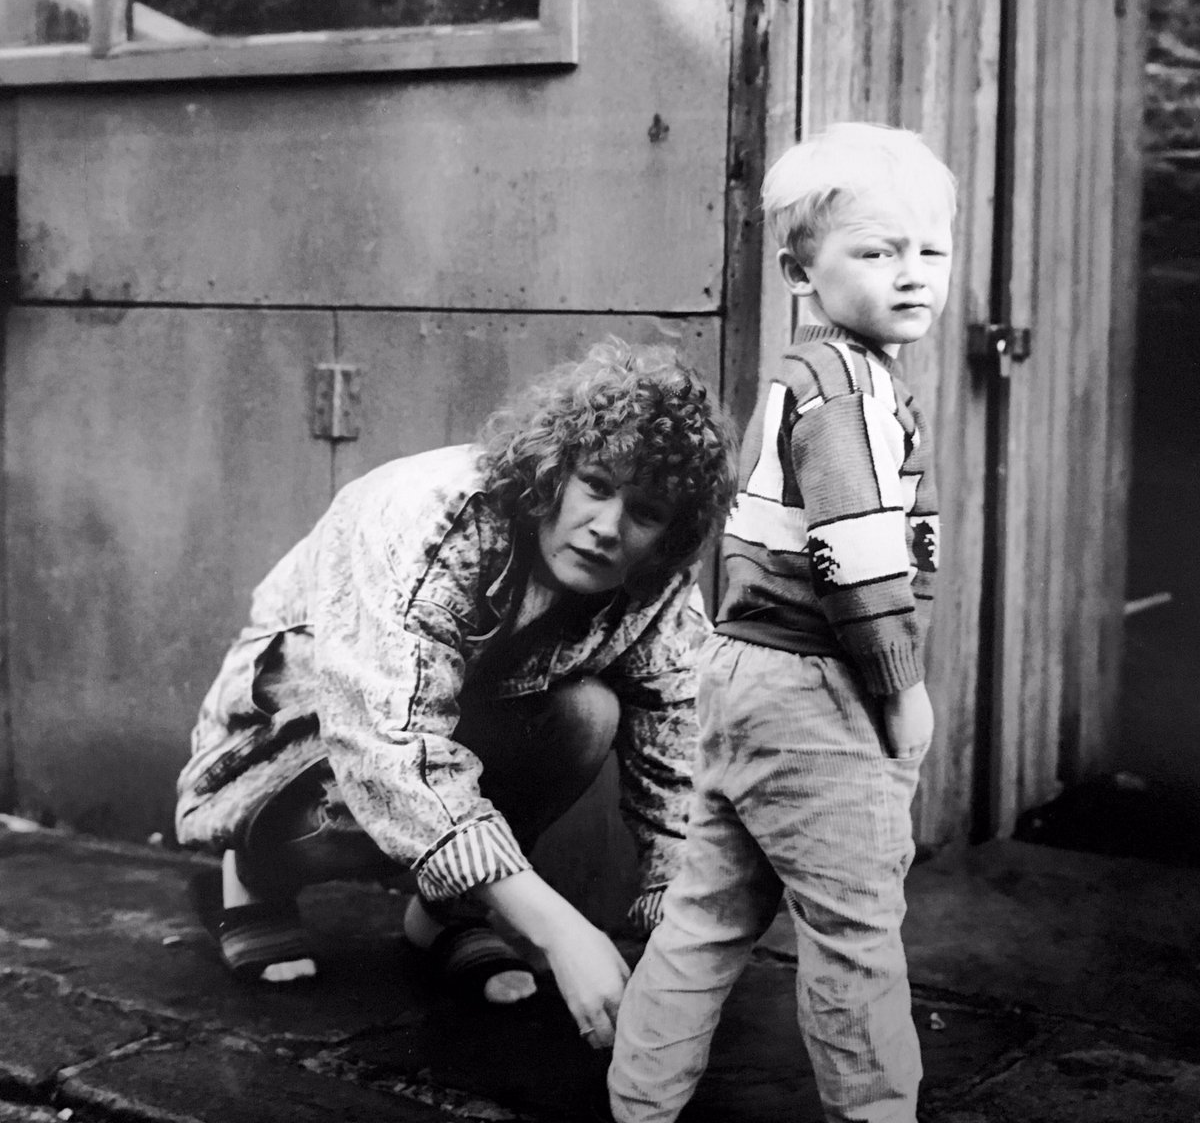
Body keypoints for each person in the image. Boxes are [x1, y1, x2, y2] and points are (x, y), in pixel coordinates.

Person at [174, 338, 738, 1050]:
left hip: (443, 730)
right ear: (554, 469)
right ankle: (255, 875)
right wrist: (558, 928)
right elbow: (387, 744)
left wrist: (678, 946)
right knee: (364, 789)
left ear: (670, 532)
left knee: (586, 714)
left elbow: (682, 757)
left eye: (645, 511)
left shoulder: (657, 588)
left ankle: (446, 913)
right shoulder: (436, 517)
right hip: (301, 738)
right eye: (596, 483)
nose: (607, 527)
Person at [607, 123, 955, 1121]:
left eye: (928, 251)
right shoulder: (841, 392)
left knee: (704, 917)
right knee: (855, 937)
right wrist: (903, 688)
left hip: (742, 673)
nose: (911, 275)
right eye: (875, 251)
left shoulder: (822, 375)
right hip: (817, 687)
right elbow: (854, 555)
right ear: (804, 269)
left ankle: (639, 1103)